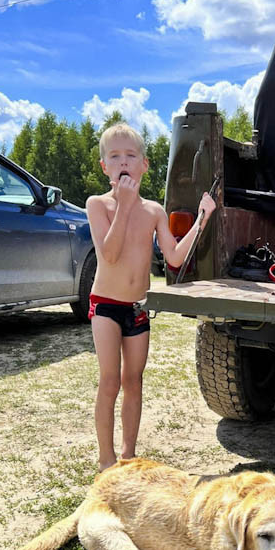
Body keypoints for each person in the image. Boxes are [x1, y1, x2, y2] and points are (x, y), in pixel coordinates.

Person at [86, 123, 216, 471]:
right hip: (106, 307)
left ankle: (128, 456)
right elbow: (109, 256)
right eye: (115, 156)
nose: (123, 161)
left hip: (138, 307)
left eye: (130, 155)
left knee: (134, 380)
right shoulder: (97, 205)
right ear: (105, 167)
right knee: (110, 379)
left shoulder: (154, 210)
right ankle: (106, 461)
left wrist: (201, 220)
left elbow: (174, 258)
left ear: (144, 165)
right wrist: (124, 205)